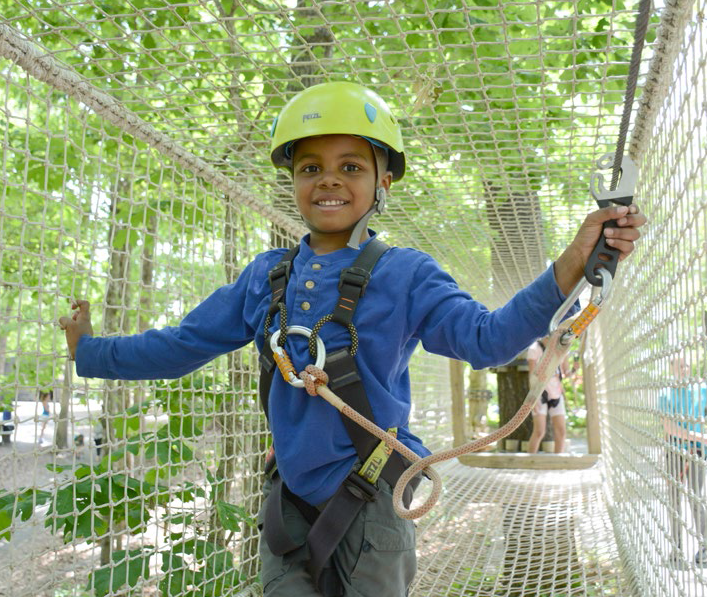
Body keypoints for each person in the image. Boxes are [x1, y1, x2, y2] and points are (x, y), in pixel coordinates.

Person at [59, 82, 645, 596]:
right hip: (288, 507)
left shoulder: (407, 274)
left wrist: (572, 262)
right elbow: (180, 345)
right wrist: (91, 351)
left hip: (372, 505)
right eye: (310, 167)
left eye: (351, 167)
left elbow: (487, 339)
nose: (330, 179)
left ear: (382, 181)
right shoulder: (265, 278)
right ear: (292, 181)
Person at [660, 357, 707, 567]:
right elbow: (670, 428)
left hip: (697, 452)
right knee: (674, 500)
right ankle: (677, 548)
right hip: (675, 451)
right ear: (672, 369)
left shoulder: (702, 389)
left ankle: (705, 547)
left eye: (686, 364)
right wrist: (699, 437)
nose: (684, 368)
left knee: (697, 498)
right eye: (679, 365)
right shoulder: (665, 394)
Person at [526, 336, 570, 453]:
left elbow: (566, 372)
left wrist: (575, 368)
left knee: (561, 431)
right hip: (540, 392)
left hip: (556, 393)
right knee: (539, 431)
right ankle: (530, 462)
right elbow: (532, 375)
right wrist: (532, 398)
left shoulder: (561, 348)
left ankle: (558, 463)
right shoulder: (535, 348)